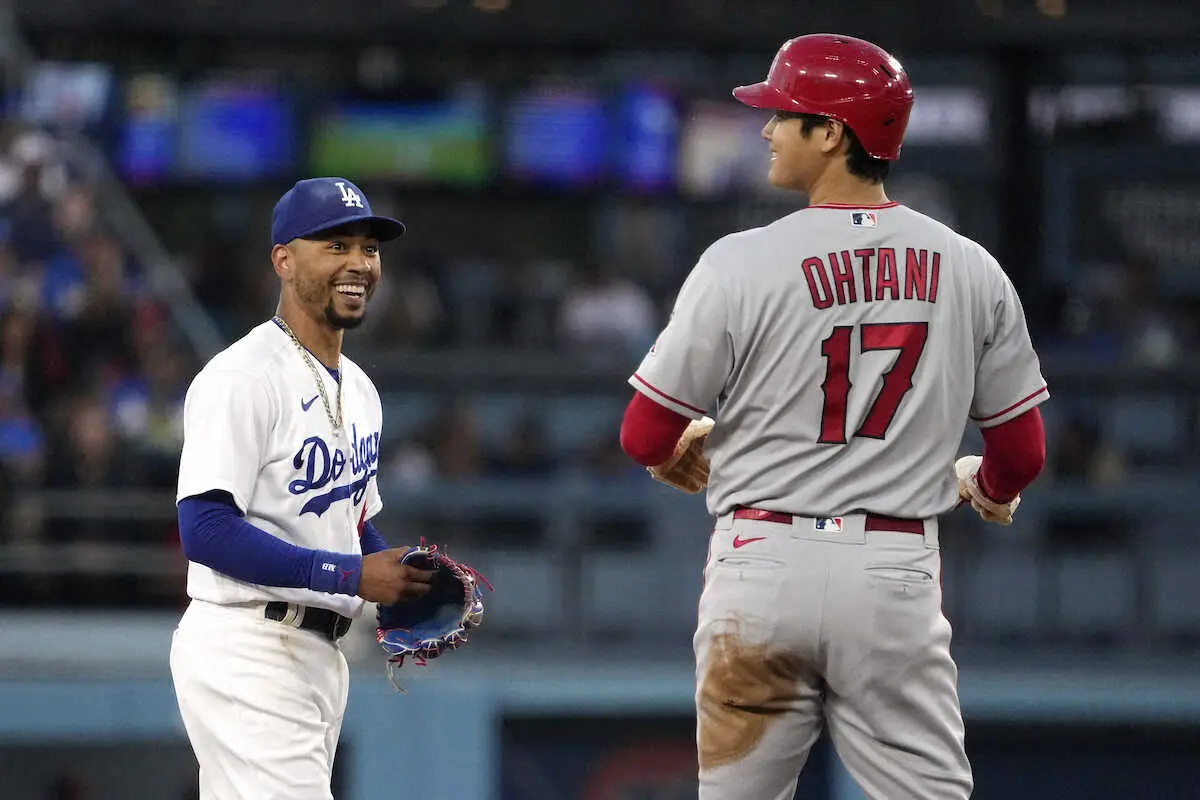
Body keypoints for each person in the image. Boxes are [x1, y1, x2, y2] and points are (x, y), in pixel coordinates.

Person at [618, 35, 1048, 800]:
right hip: (892, 573)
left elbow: (643, 434)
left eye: (785, 114)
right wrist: (985, 481)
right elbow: (1021, 454)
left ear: (833, 133)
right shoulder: (971, 265)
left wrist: (680, 447)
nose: (766, 128)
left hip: (759, 562)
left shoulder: (738, 260)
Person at [169, 177, 436, 799]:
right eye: (335, 245)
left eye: (368, 249)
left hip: (319, 653)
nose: (359, 264)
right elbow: (203, 528)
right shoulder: (241, 377)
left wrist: (405, 582)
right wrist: (352, 577)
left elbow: (355, 521)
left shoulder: (362, 390)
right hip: (247, 643)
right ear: (283, 260)